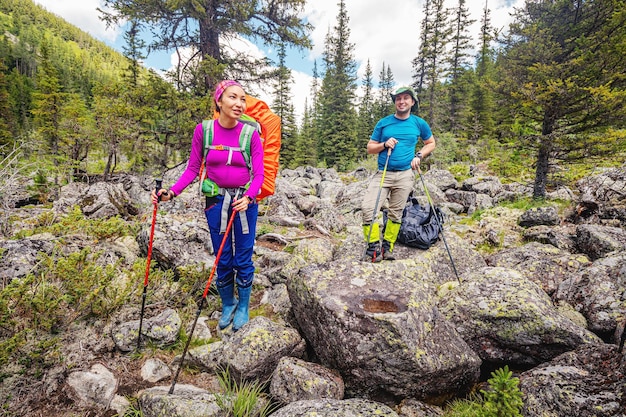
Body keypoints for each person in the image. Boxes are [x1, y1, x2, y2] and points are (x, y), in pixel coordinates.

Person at [151, 80, 264, 331]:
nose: (239, 104)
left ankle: (243, 307)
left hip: (243, 204)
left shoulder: (251, 134)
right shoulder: (204, 131)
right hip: (215, 203)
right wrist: (171, 192)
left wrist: (249, 197)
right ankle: (228, 303)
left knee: (243, 257)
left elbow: (259, 175)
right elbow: (193, 168)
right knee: (222, 256)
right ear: (219, 100)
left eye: (243, 99)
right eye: (233, 97)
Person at [361, 86, 436, 262]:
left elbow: (430, 143)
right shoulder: (384, 123)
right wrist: (384, 144)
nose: (401, 101)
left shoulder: (419, 123)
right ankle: (373, 248)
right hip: (383, 173)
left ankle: (388, 247)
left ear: (412, 102)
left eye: (405, 98)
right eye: (398, 99)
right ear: (395, 102)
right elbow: (370, 148)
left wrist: (419, 156)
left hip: (405, 175)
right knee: (368, 208)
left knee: (396, 213)